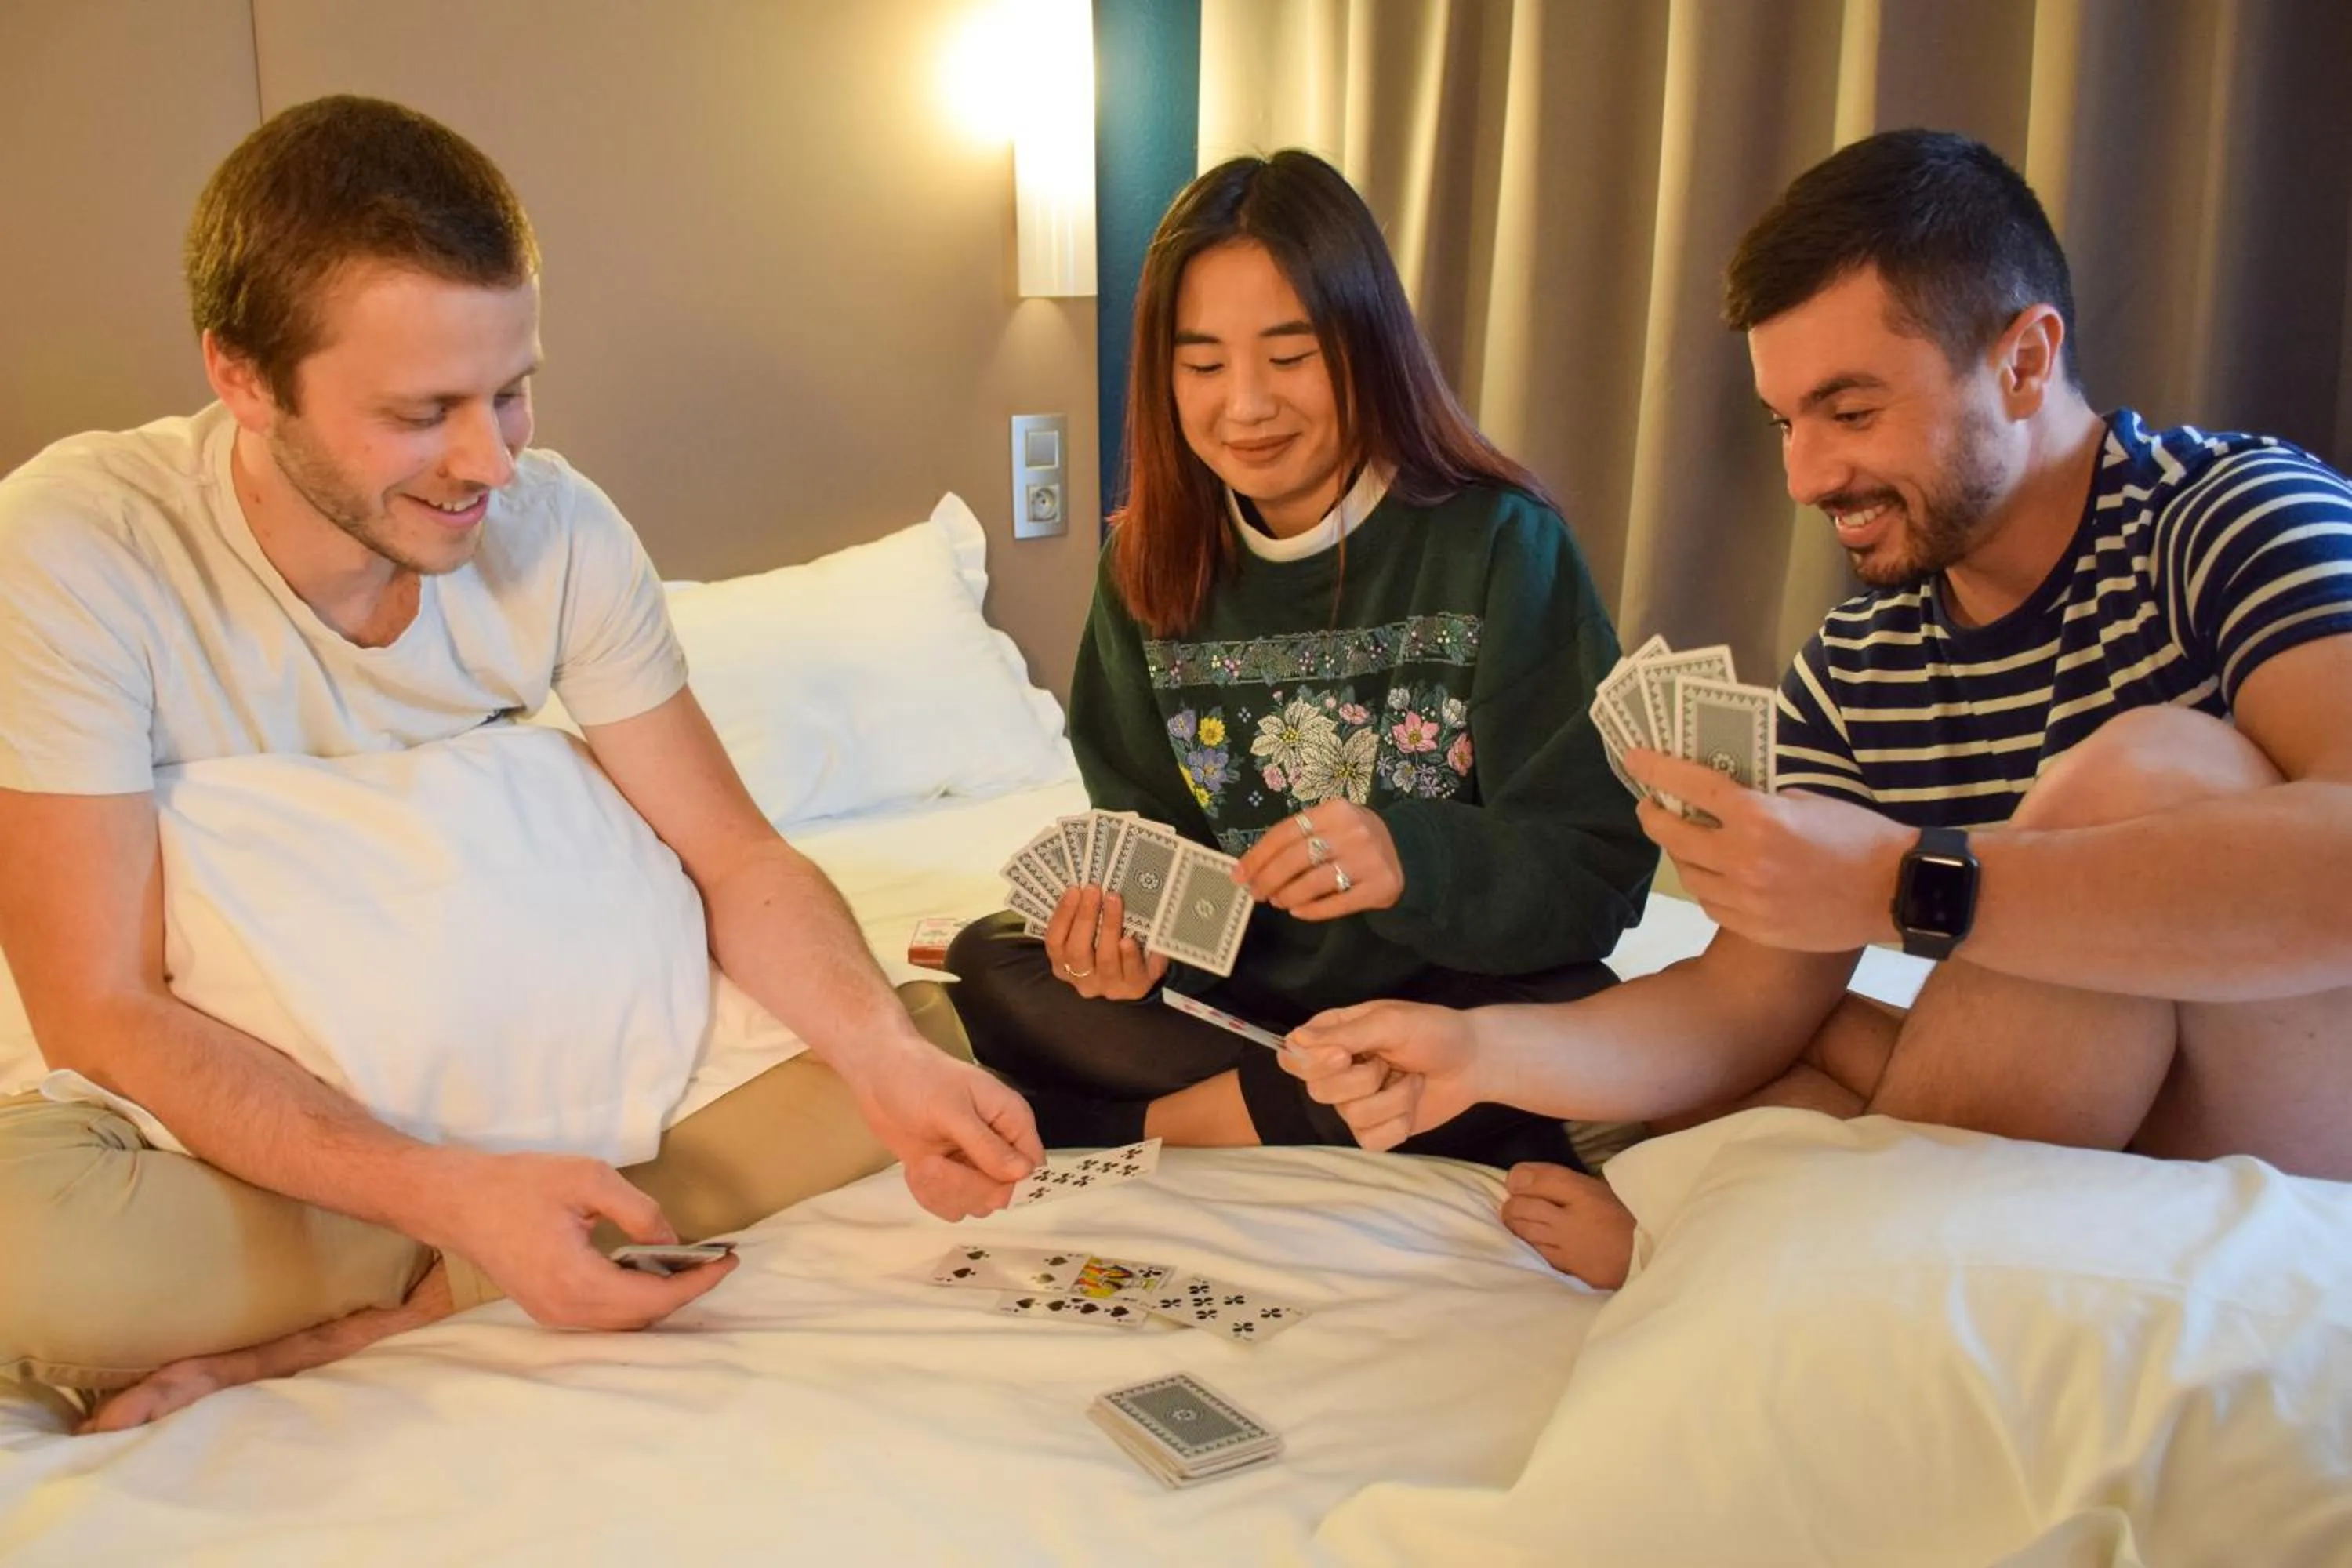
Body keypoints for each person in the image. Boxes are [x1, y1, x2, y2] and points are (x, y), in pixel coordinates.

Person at [0, 96, 1040, 1434]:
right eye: (422, 411)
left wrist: (883, 1059)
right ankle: (512, 1237)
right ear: (243, 378)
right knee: (28, 1252)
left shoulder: (560, 528)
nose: (490, 462)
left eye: (510, 391)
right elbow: (100, 1008)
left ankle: (380, 1314)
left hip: (522, 1085)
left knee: (909, 1038)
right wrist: (447, 1193)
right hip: (229, 1118)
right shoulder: (77, 551)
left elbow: (734, 854)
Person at [1283, 127, 2352, 1286]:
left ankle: (1791, 1266)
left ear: (2025, 362)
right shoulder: (1861, 664)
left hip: (2285, 1144)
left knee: (2154, 774)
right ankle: (1834, 1255)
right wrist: (1473, 1051)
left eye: (1852, 412)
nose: (1806, 477)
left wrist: (1898, 883)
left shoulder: (2235, 518)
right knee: (1788, 1046)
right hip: (2077, 1129)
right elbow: (1740, 1002)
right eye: (1786, 423)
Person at [946, 150, 1655, 1168]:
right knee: (990, 961)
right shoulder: (1144, 568)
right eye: (1203, 366)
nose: (1245, 406)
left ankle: (1140, 1129)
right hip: (1248, 1004)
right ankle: (1347, 1107)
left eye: (1290, 356)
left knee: (1574, 1011)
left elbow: (1595, 876)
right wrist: (1127, 949)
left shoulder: (1500, 544)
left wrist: (1410, 857)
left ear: (1368, 347)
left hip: (1446, 997)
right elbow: (1150, 849)